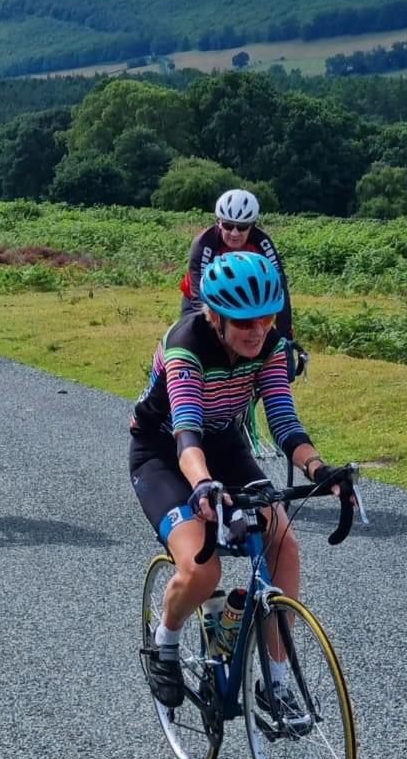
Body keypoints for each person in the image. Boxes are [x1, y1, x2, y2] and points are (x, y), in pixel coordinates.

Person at [129, 249, 350, 707]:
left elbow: (285, 423)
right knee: (202, 569)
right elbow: (187, 433)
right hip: (164, 452)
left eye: (265, 319)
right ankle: (165, 642)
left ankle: (277, 682)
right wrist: (204, 485)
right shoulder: (186, 345)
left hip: (225, 445)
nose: (257, 331)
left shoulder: (271, 346)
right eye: (244, 322)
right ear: (214, 315)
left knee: (283, 543)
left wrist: (319, 469)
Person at [183, 189, 294, 346]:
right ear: (218, 222)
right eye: (228, 225)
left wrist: (285, 335)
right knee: (198, 338)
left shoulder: (262, 243)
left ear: (252, 226)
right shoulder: (203, 244)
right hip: (202, 293)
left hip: (242, 298)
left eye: (242, 227)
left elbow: (280, 289)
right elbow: (197, 296)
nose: (234, 233)